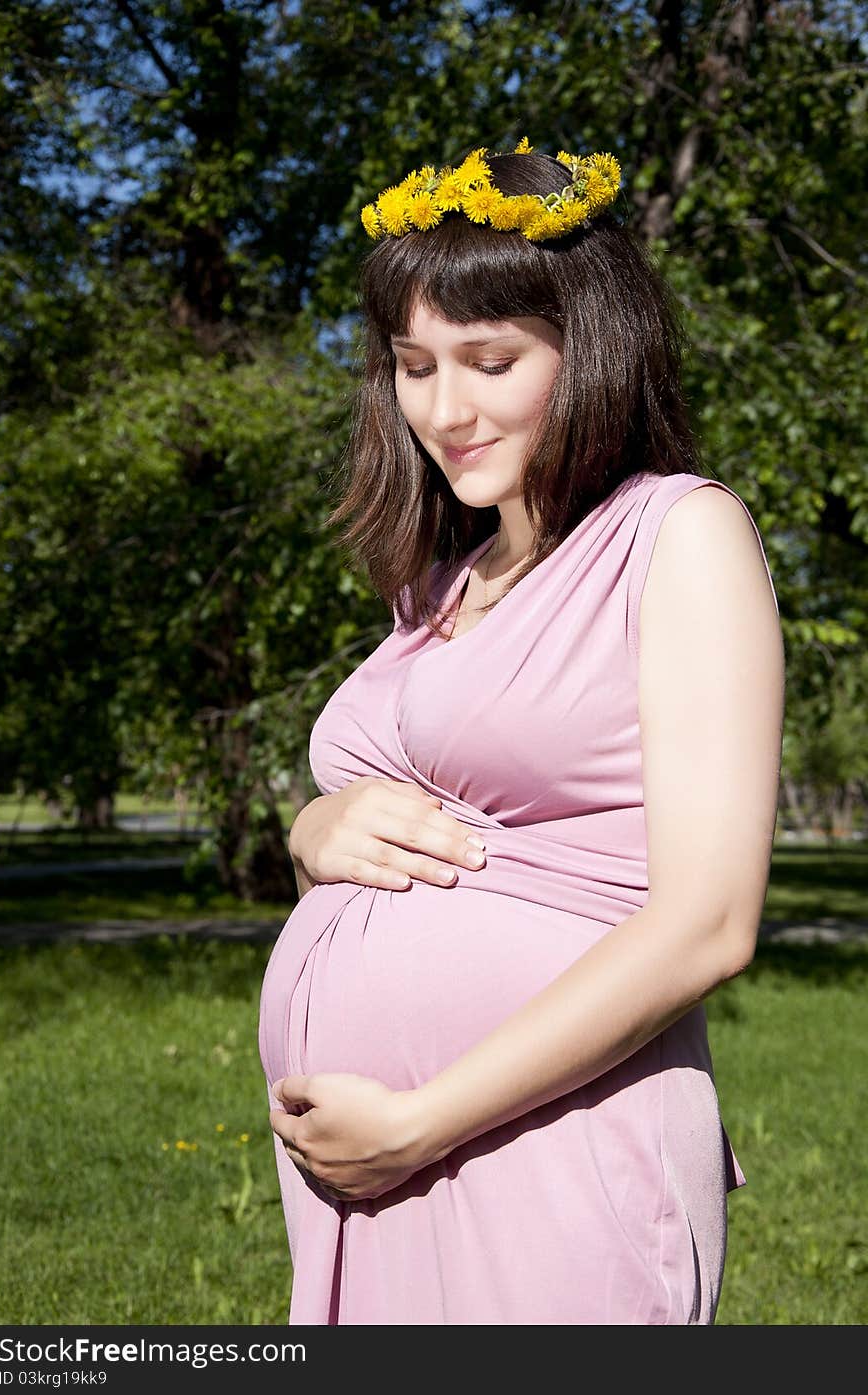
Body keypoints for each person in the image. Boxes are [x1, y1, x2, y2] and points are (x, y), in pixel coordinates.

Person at [258, 139, 785, 1325]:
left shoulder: (677, 536)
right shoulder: (442, 583)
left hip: (542, 1146)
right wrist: (315, 831)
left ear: (587, 346)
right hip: (375, 1177)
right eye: (413, 365)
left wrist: (416, 1121)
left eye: (491, 363)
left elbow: (708, 923)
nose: (444, 410)